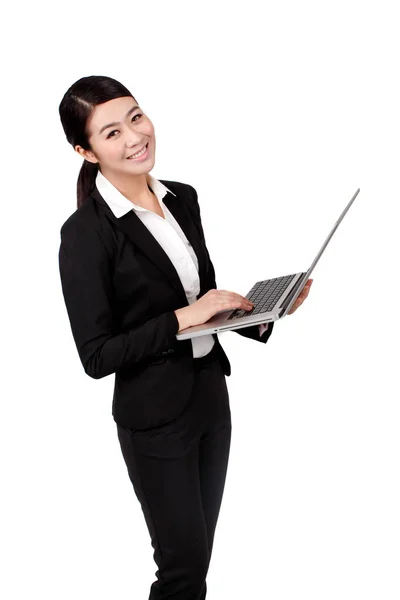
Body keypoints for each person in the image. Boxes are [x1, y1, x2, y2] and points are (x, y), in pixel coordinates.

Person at [58, 75, 312, 600]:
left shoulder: (183, 198)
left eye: (136, 116)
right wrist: (183, 316)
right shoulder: (86, 233)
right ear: (85, 151)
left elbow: (203, 301)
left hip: (208, 399)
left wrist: (260, 314)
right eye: (111, 133)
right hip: (154, 419)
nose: (134, 137)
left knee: (197, 562)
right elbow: (96, 355)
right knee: (182, 572)